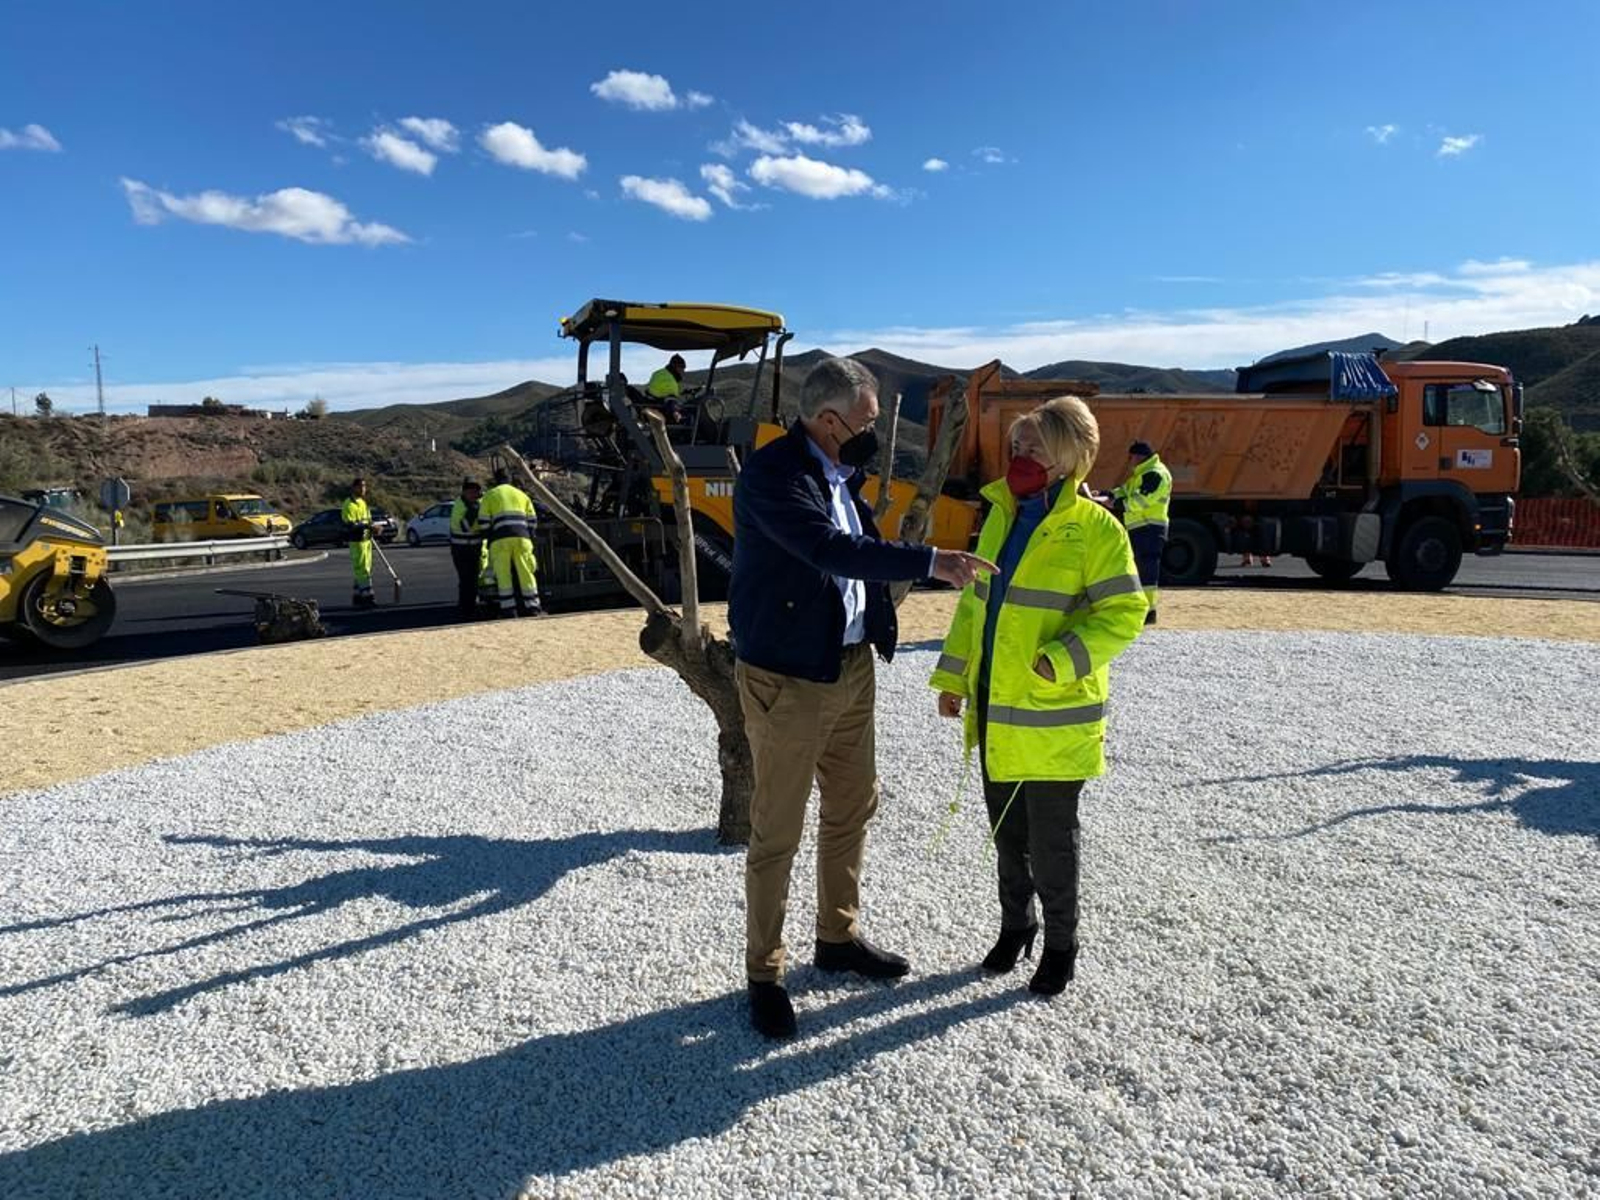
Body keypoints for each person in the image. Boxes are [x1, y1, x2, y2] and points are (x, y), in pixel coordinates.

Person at [730, 355, 996, 1040]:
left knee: (851, 808)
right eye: (867, 422)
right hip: (788, 678)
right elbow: (831, 551)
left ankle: (837, 940)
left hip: (848, 670)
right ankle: (765, 974)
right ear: (828, 420)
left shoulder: (840, 472)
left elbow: (855, 553)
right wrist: (931, 561)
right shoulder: (774, 474)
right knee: (778, 831)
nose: (874, 434)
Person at [931, 397, 1147, 996]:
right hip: (997, 709)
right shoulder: (1001, 513)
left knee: (1052, 843)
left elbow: (1126, 611)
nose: (1021, 458)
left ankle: (1061, 944)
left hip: (1053, 718)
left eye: (1034, 448)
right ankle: (1015, 927)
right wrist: (953, 678)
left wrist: (1064, 659)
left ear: (1070, 457)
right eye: (1018, 447)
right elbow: (976, 607)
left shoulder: (1097, 529)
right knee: (1008, 835)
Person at [1111, 440, 1172, 625]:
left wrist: (1115, 503)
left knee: (1146, 573)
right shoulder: (1144, 473)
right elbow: (1125, 491)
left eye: (1131, 457)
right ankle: (1144, 610)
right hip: (1142, 528)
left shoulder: (1154, 474)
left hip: (1149, 528)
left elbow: (1141, 500)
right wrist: (1109, 495)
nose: (1130, 461)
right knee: (1141, 571)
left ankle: (1148, 612)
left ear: (1138, 456)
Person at [478, 466, 541, 617]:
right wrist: (529, 534)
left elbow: (483, 522)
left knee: (503, 575)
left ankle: (509, 610)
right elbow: (532, 520)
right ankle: (532, 607)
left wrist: (489, 535)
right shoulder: (521, 495)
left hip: (500, 540)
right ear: (510, 479)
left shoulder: (490, 495)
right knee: (526, 572)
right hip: (522, 538)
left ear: (495, 480)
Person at [448, 478, 488, 618]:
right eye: (470, 490)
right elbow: (465, 526)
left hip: (472, 548)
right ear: (464, 492)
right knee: (468, 580)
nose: (474, 493)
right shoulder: (461, 506)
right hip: (462, 549)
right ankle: (467, 610)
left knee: (471, 580)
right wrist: (477, 511)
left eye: (476, 490)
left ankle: (467, 606)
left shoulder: (473, 503)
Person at [341, 477, 375, 608]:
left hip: (367, 540)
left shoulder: (363, 503)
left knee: (364, 568)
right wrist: (369, 527)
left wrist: (373, 528)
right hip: (356, 541)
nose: (363, 489)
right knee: (362, 569)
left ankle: (357, 596)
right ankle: (367, 597)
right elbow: (351, 525)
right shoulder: (348, 505)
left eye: (365, 486)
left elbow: (368, 520)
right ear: (354, 488)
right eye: (361, 486)